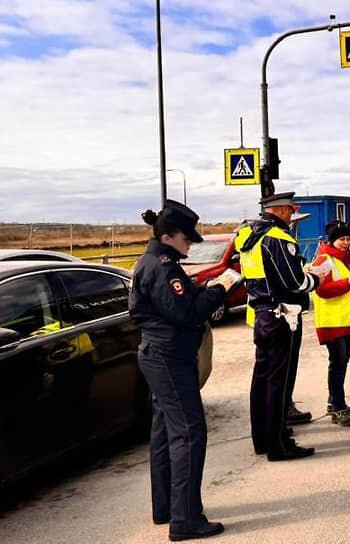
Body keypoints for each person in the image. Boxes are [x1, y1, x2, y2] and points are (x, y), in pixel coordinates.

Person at [129, 200, 233, 541]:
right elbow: (186, 312)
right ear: (169, 236)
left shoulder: (156, 262)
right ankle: (186, 519)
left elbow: (176, 304)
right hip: (170, 359)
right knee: (189, 433)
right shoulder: (163, 267)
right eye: (186, 238)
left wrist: (204, 290)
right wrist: (222, 289)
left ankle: (167, 508)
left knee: (164, 432)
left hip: (160, 355)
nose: (190, 243)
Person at [235, 192, 321, 461]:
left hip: (261, 315)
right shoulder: (278, 237)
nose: (293, 215)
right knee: (279, 384)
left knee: (262, 379)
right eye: (291, 210)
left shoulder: (247, 235)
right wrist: (317, 278)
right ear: (282, 210)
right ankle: (279, 443)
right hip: (283, 315)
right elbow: (295, 282)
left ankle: (261, 438)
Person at [310, 221, 350, 426]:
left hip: (348, 321)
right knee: (338, 364)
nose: (345, 243)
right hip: (333, 322)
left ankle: (334, 402)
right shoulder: (323, 261)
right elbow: (321, 290)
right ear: (332, 240)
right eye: (341, 239)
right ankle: (338, 407)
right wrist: (347, 283)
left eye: (348, 239)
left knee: (342, 363)